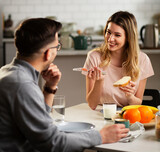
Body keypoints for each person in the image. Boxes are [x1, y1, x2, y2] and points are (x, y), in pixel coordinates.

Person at [0, 18, 129, 152]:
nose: (57, 50)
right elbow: (53, 142)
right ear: (48, 53)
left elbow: (38, 121)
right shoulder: (23, 85)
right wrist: (100, 136)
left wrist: (50, 88)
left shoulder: (8, 72)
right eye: (57, 47)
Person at [84, 11, 154, 110]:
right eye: (108, 32)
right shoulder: (94, 57)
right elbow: (92, 104)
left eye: (117, 35)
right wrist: (99, 82)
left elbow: (138, 102)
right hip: (99, 114)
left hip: (126, 115)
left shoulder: (142, 60)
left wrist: (130, 96)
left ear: (128, 38)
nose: (110, 39)